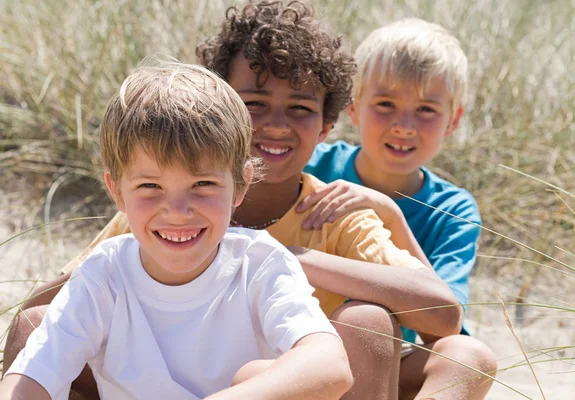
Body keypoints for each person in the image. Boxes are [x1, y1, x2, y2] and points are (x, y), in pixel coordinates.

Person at [2, 3, 462, 399]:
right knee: (35, 326)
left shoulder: (303, 229)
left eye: (299, 109)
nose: (275, 125)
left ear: (326, 127)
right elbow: (58, 309)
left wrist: (299, 256)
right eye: (254, 103)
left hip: (279, 379)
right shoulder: (137, 234)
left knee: (370, 324)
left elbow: (439, 319)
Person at [0, 59, 353, 400]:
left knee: (258, 374)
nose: (178, 212)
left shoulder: (259, 263)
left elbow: (330, 365)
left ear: (241, 185)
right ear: (116, 191)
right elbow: (32, 377)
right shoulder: (104, 274)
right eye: (150, 187)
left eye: (202, 184)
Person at [300, 18, 497, 399]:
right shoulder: (311, 168)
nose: (404, 125)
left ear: (453, 121)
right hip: (302, 347)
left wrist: (390, 213)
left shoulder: (452, 209)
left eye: (426, 109)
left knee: (469, 356)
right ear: (354, 109)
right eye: (385, 104)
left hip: (390, 361)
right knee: (365, 321)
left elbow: (443, 329)